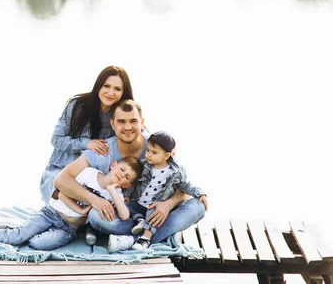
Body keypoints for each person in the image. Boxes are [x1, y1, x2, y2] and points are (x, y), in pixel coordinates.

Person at [54, 99, 206, 248]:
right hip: (127, 214)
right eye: (121, 122)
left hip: (157, 209)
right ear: (112, 124)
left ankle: (134, 240)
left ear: (142, 122)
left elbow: (182, 189)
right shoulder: (103, 149)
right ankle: (151, 237)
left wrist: (168, 205)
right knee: (95, 215)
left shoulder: (157, 146)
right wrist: (94, 199)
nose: (128, 127)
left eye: (133, 121)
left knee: (197, 206)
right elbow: (61, 181)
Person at [0, 157, 142, 251]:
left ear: (127, 184)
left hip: (69, 228)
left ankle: (15, 232)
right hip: (51, 213)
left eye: (127, 177)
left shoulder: (114, 194)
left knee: (36, 243)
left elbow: (124, 216)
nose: (122, 175)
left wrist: (111, 191)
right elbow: (63, 193)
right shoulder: (89, 174)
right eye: (122, 169)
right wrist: (81, 209)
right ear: (113, 165)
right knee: (18, 237)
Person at [39, 65, 134, 205]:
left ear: (123, 92)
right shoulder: (78, 106)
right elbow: (56, 139)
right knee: (61, 196)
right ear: (98, 86)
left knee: (101, 204)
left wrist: (163, 146)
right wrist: (86, 143)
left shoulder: (120, 115)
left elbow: (136, 134)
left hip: (93, 178)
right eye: (106, 86)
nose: (110, 92)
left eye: (117, 89)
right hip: (60, 170)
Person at [108, 131, 208, 252]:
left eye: (154, 153)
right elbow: (133, 183)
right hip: (138, 203)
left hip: (154, 206)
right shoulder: (145, 166)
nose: (149, 155)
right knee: (126, 206)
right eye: (148, 150)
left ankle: (143, 238)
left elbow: (185, 185)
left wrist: (200, 193)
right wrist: (127, 196)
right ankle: (141, 223)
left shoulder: (175, 172)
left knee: (194, 206)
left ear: (166, 156)